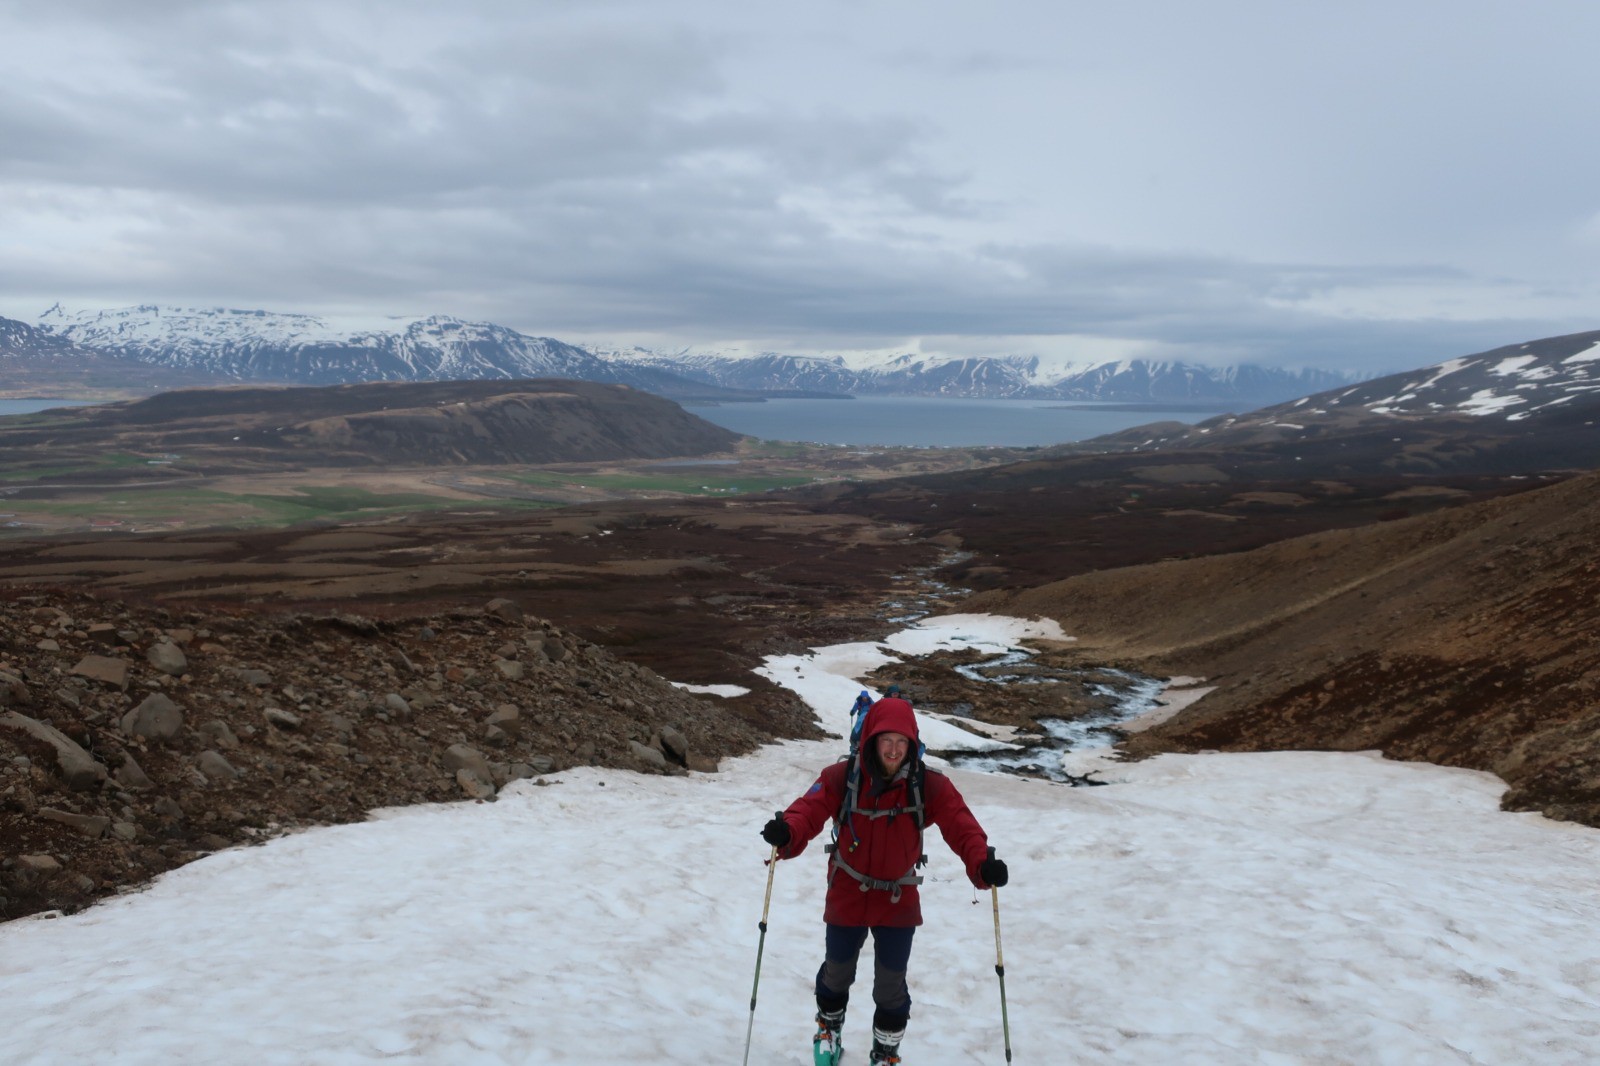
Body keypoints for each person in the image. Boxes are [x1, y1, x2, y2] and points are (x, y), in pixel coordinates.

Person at [761, 690, 1009, 1065]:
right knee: (837, 973)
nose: (893, 751)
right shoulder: (841, 777)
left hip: (897, 899)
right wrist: (788, 834)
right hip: (847, 890)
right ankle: (829, 1028)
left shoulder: (928, 785)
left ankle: (886, 1052)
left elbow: (963, 827)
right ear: (872, 740)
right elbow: (808, 810)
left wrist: (981, 865)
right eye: (886, 741)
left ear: (912, 744)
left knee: (891, 987)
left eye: (901, 743)